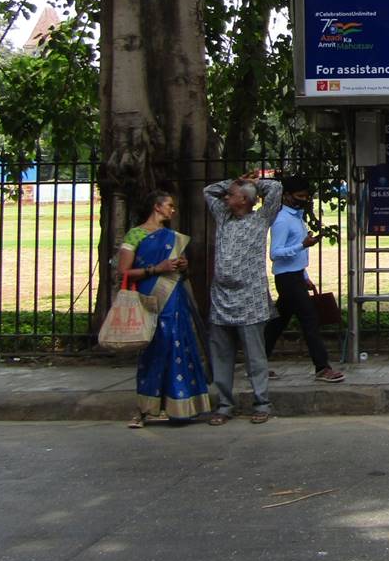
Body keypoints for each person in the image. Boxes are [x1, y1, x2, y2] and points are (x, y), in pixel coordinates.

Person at [118, 190, 209, 428]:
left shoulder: (172, 236)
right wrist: (156, 269)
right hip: (150, 296)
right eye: (169, 205)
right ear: (157, 207)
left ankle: (181, 407)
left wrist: (181, 265)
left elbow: (178, 270)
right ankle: (146, 409)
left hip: (174, 298)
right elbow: (124, 272)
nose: (173, 209)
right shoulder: (135, 235)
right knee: (155, 350)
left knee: (179, 346)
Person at [203, 171, 283, 424]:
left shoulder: (260, 219)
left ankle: (262, 402)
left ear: (246, 200)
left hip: (250, 299)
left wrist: (254, 183)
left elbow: (276, 189)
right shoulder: (223, 217)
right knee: (222, 354)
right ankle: (225, 404)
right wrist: (233, 182)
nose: (227, 197)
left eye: (233, 195)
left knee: (255, 355)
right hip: (221, 298)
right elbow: (208, 191)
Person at [264, 175, 344, 383]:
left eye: (306, 195)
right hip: (287, 279)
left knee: (278, 322)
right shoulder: (282, 220)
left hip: (296, 276)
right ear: (287, 196)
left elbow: (296, 255)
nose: (304, 199)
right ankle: (322, 367)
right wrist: (302, 245)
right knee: (309, 319)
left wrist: (305, 275)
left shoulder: (297, 217)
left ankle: (257, 363)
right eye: (299, 196)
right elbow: (275, 253)